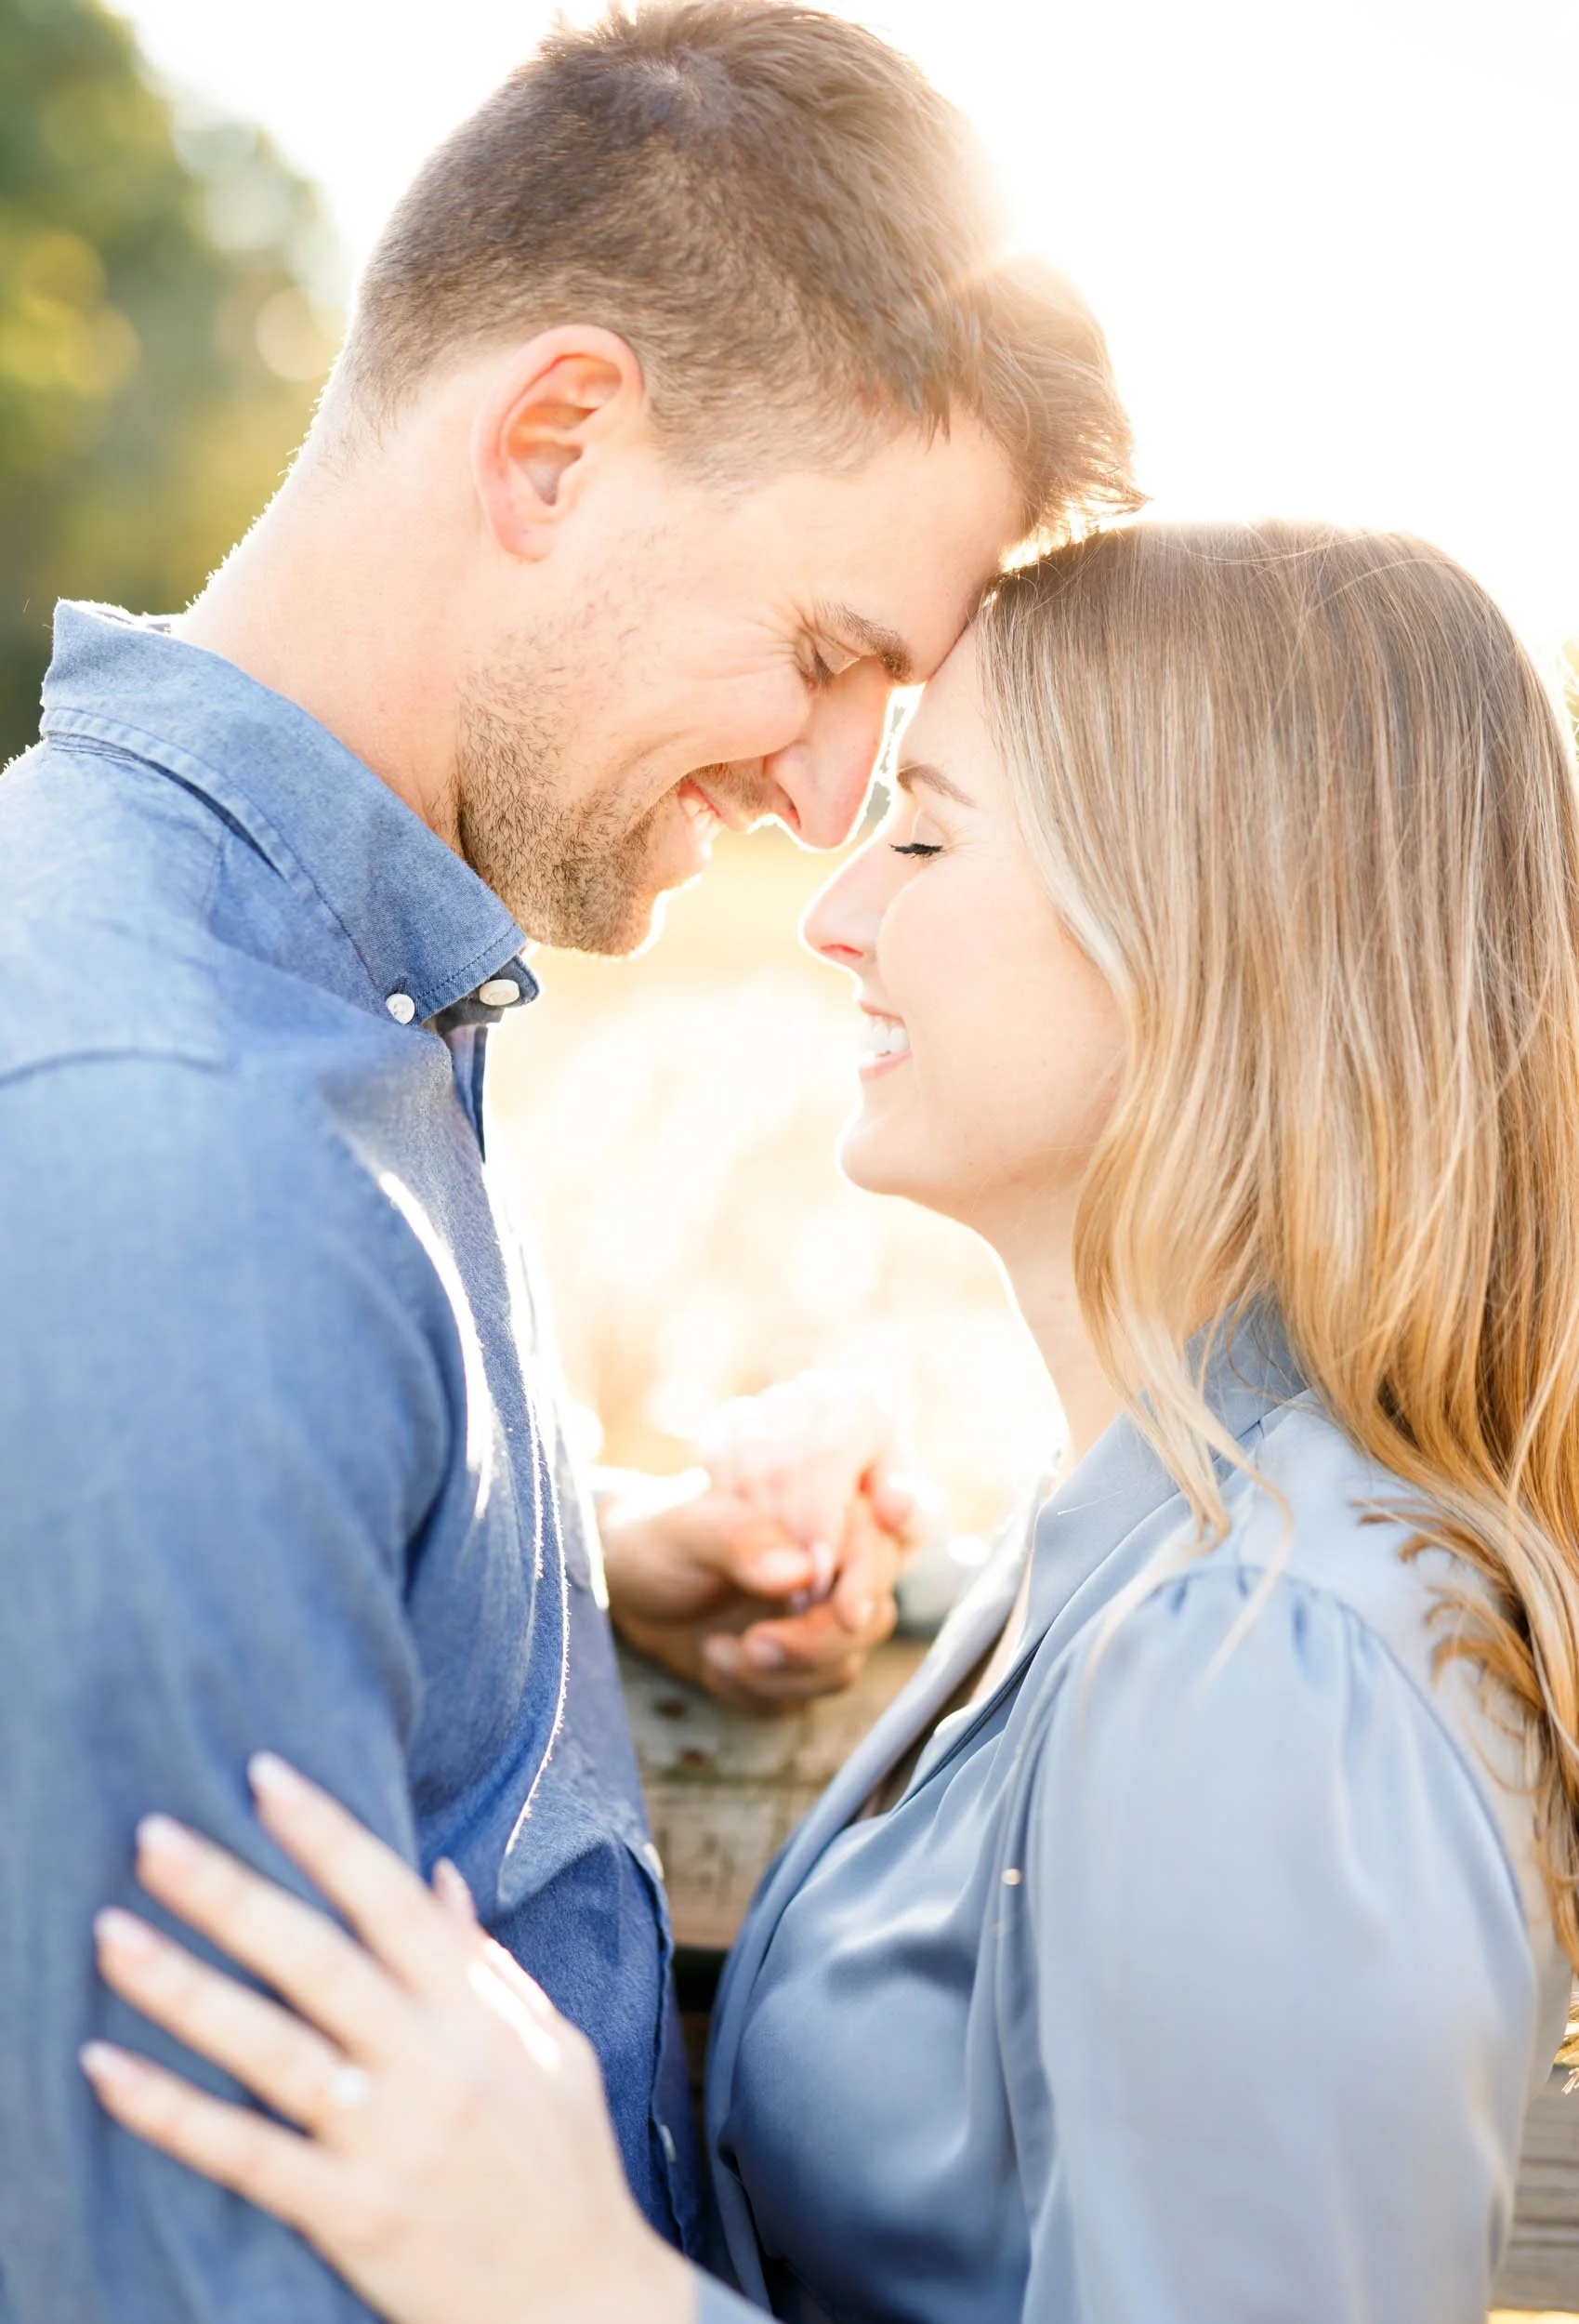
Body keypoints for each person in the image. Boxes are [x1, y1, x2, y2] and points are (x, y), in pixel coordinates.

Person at [86, 522, 1579, 2324]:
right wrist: (602, 1555)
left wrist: (568, 2279)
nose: (835, 907)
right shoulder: (1161, 1539)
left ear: (1218, 930)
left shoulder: (1276, 1668)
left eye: (930, 832)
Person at [0, 2, 1137, 2313]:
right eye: (827, 653)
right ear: (555, 442)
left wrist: (557, 1553)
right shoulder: (182, 1159)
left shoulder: (336, 1005)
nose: (834, 803)